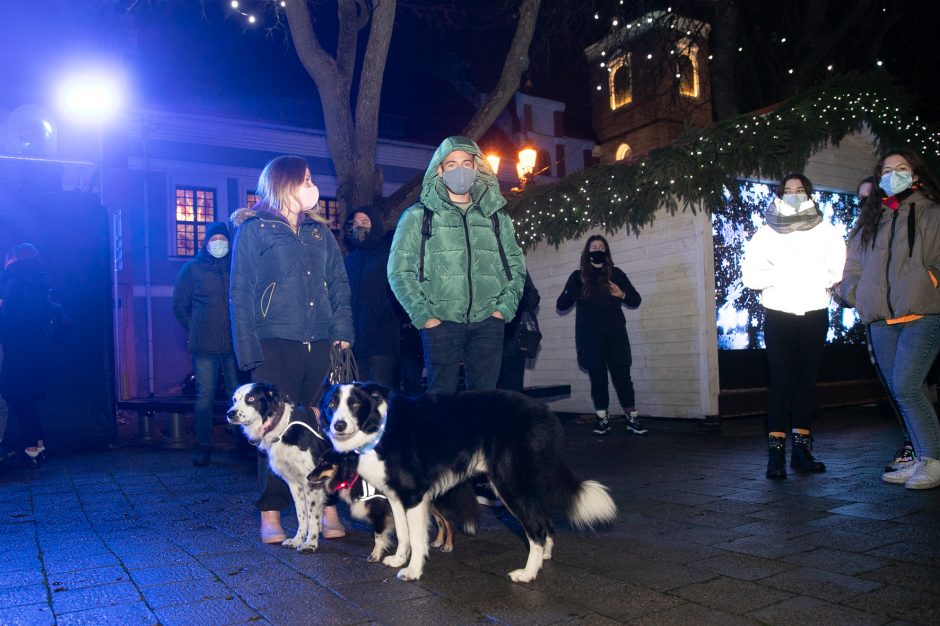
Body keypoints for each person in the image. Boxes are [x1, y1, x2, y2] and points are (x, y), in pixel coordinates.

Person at [230, 156, 354, 542]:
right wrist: (249, 350)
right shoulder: (254, 230)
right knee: (273, 432)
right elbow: (240, 293)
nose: (311, 185)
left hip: (319, 342)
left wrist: (342, 330)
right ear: (283, 183)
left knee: (324, 429)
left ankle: (327, 509)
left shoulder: (321, 233)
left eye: (311, 179)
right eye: (304, 179)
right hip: (274, 343)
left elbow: (339, 285)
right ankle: (271, 514)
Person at [388, 136, 526, 395]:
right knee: (441, 405)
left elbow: (517, 266)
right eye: (451, 164)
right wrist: (424, 317)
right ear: (439, 170)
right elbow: (398, 271)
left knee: (484, 404)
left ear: (477, 167)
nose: (459, 169)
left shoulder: (496, 216)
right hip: (440, 323)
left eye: (465, 162)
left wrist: (502, 311)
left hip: (488, 322)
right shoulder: (418, 216)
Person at [841, 149, 940, 490]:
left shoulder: (932, 214)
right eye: (886, 170)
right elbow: (852, 268)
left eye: (901, 169)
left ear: (915, 175)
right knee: (900, 392)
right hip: (881, 320)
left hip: (921, 313)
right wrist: (857, 295)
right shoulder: (870, 221)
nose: (892, 175)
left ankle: (932, 460)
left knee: (907, 386)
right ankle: (918, 459)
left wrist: (930, 284)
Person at [741, 174, 846, 479]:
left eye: (800, 190)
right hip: (779, 312)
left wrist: (809, 275)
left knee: (807, 383)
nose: (794, 195)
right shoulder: (765, 234)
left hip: (814, 312)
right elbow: (751, 276)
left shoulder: (826, 231)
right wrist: (785, 274)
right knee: (781, 382)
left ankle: (801, 452)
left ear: (810, 195)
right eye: (788, 191)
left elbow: (836, 269)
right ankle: (775, 457)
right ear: (779, 195)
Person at [557, 235, 645, 436]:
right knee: (598, 379)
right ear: (587, 252)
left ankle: (632, 418)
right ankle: (602, 419)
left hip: (615, 336)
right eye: (594, 246)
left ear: (607, 252)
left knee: (622, 377)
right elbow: (561, 305)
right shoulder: (578, 277)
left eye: (601, 246)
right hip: (590, 338)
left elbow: (635, 299)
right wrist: (571, 291)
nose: (597, 249)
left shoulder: (617, 274)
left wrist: (622, 294)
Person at [172, 222, 239, 467]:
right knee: (205, 397)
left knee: (238, 397)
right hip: (204, 346)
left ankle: (241, 443)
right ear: (206, 242)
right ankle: (204, 445)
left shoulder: (236, 267)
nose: (219, 243)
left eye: (223, 238)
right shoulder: (191, 269)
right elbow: (178, 305)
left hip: (233, 345)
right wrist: (195, 327)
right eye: (215, 239)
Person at [0, 243, 53, 468]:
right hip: (36, 348)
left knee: (19, 398)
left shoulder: (14, 283)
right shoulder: (39, 280)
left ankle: (31, 448)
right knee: (28, 399)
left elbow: (10, 320)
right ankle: (38, 448)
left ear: (14, 260)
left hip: (17, 348)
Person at [342, 207, 399, 388]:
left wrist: (387, 313)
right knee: (358, 395)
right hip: (356, 342)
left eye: (365, 223)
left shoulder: (389, 256)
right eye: (355, 224)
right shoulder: (350, 261)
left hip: (382, 339)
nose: (359, 228)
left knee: (379, 395)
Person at [497, 274, 540, 391]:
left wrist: (517, 302)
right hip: (484, 346)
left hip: (513, 345)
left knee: (513, 395)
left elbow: (533, 297)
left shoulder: (515, 263)